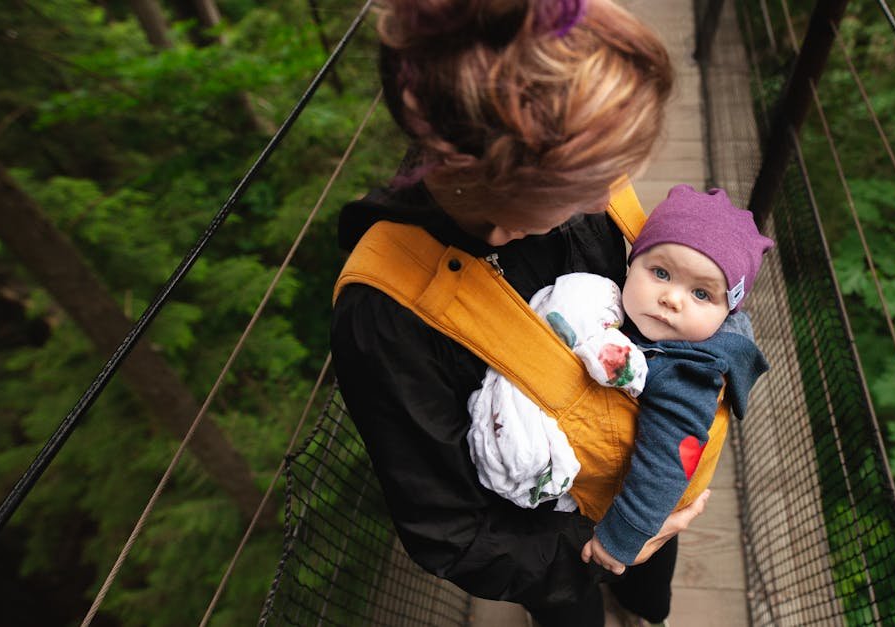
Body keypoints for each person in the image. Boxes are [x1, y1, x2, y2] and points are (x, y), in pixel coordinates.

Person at [330, 1, 705, 625]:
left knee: (649, 591)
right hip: (549, 545)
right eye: (585, 184)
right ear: (500, 181)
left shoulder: (576, 189)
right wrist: (600, 549)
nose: (609, 194)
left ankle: (644, 609)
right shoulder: (386, 317)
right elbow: (451, 531)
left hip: (644, 471)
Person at [465, 184, 772, 573]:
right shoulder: (636, 321)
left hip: (639, 512)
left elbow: (670, 459)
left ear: (727, 312)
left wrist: (624, 538)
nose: (672, 298)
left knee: (647, 582)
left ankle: (644, 601)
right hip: (616, 491)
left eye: (701, 294)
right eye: (660, 272)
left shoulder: (688, 373)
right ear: (633, 262)